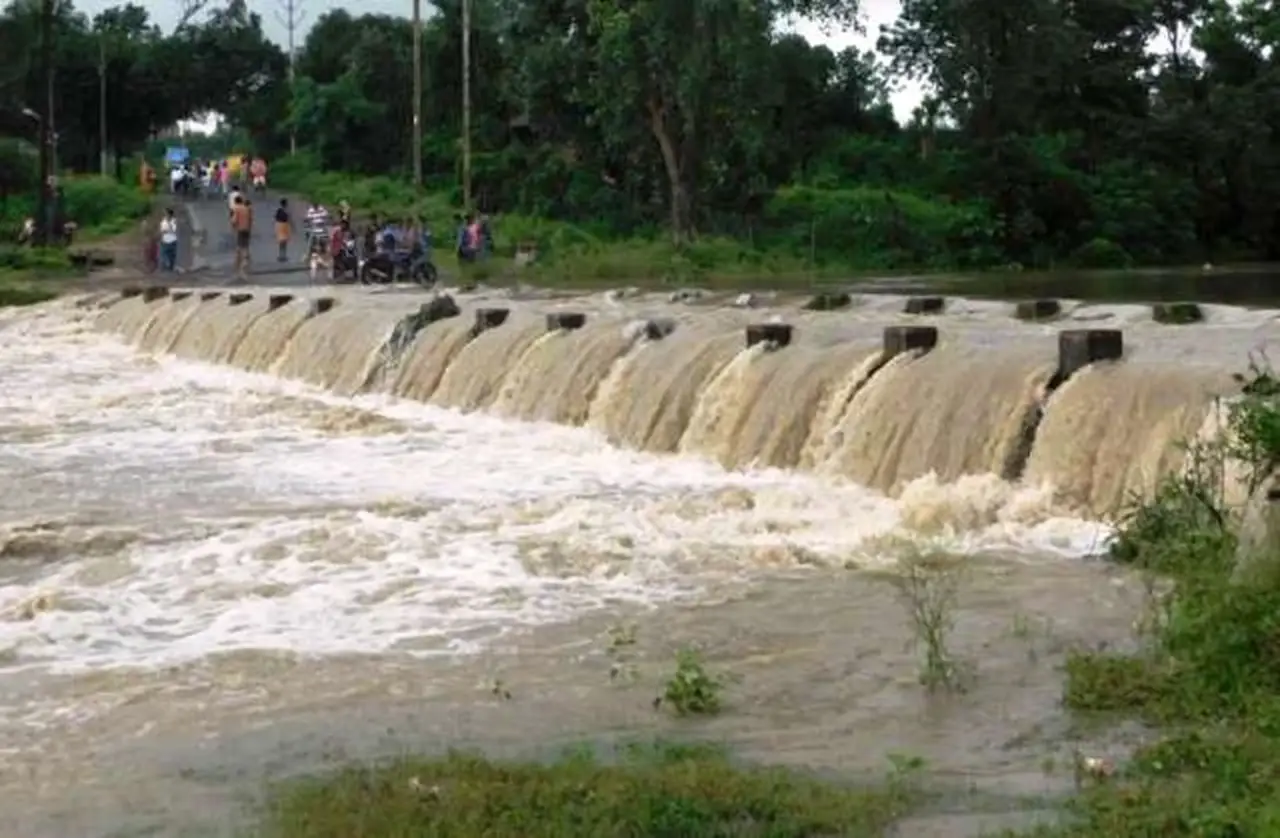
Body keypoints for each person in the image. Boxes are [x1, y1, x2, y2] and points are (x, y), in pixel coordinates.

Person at [231, 195, 253, 282]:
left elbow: (234, 220)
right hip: (247, 229)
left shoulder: (236, 209)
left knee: (240, 247)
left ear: (236, 202)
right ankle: (245, 262)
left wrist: (233, 226)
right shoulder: (246, 208)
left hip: (240, 229)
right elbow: (251, 219)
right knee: (245, 246)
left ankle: (242, 266)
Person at [158, 207, 180, 272]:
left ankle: (171, 267)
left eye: (166, 213)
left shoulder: (174, 221)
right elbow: (162, 231)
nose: (165, 215)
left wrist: (168, 229)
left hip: (173, 240)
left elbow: (174, 230)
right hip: (165, 240)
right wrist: (162, 237)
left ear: (170, 214)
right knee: (163, 254)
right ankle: (166, 266)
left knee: (172, 256)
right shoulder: (163, 221)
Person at [274, 198, 291, 262]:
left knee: (281, 242)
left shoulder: (278, 210)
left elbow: (276, 219)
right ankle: (283, 256)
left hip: (279, 226)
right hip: (285, 226)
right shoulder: (286, 211)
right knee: (284, 243)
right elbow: (289, 219)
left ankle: (281, 255)